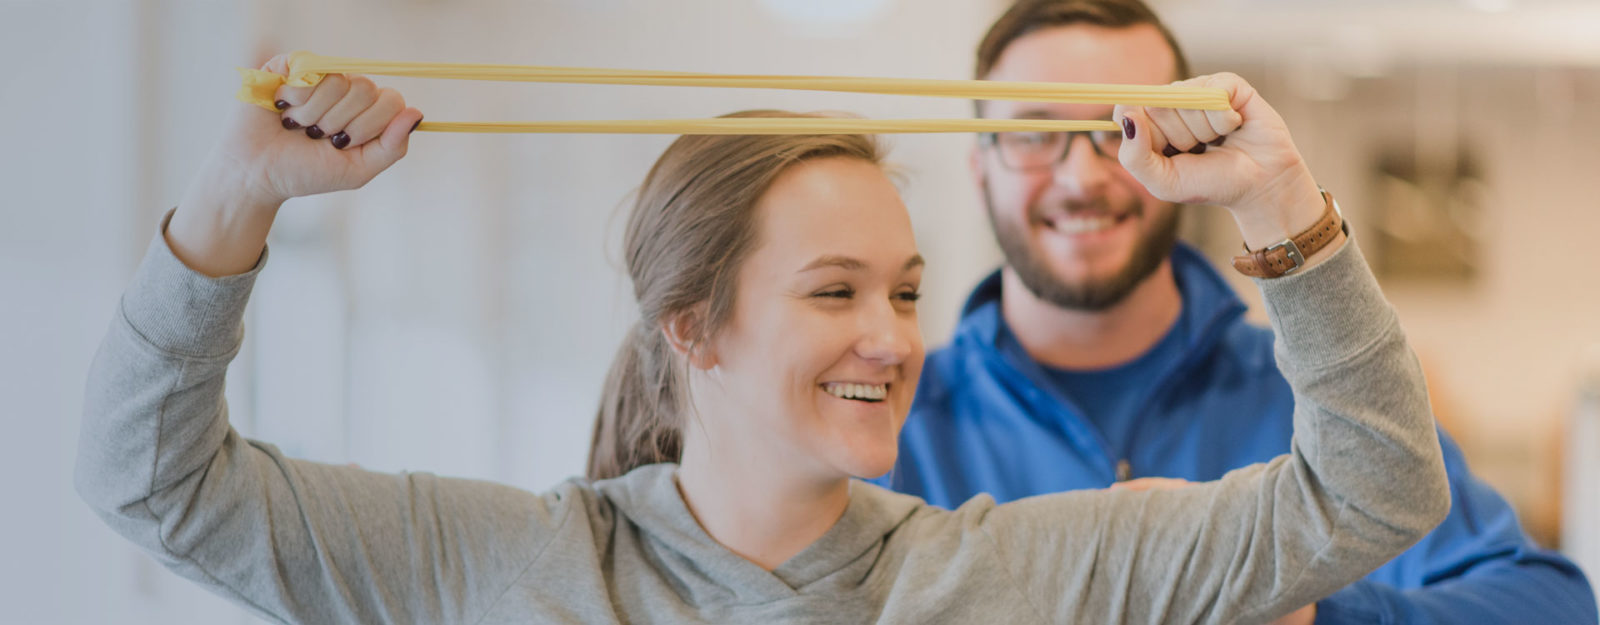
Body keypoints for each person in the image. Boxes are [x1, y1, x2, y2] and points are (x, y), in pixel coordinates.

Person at [78, 53, 1448, 624]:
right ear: (696, 327)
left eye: (907, 291)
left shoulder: (1012, 573)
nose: (892, 336)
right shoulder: (511, 564)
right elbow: (154, 482)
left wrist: (1284, 206)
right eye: (834, 290)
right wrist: (231, 202)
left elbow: (1376, 491)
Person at [877, 1, 1599, 623]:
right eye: (1032, 133)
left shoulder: (1317, 393)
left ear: (1180, 145)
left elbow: (1552, 603)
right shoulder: (896, 423)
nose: (1081, 176)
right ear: (979, 169)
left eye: (1120, 128)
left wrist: (1314, 616)